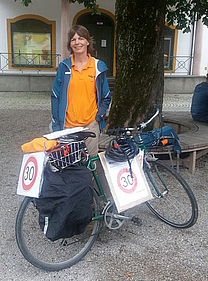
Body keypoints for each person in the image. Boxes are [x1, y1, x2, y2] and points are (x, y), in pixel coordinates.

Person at [51, 25, 111, 157]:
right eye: (73, 39)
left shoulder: (97, 66)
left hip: (90, 125)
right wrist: (56, 124)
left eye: (81, 38)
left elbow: (106, 96)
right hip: (67, 126)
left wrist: (98, 118)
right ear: (70, 44)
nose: (77, 42)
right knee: (67, 164)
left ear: (88, 42)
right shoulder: (64, 67)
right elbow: (55, 96)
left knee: (91, 162)